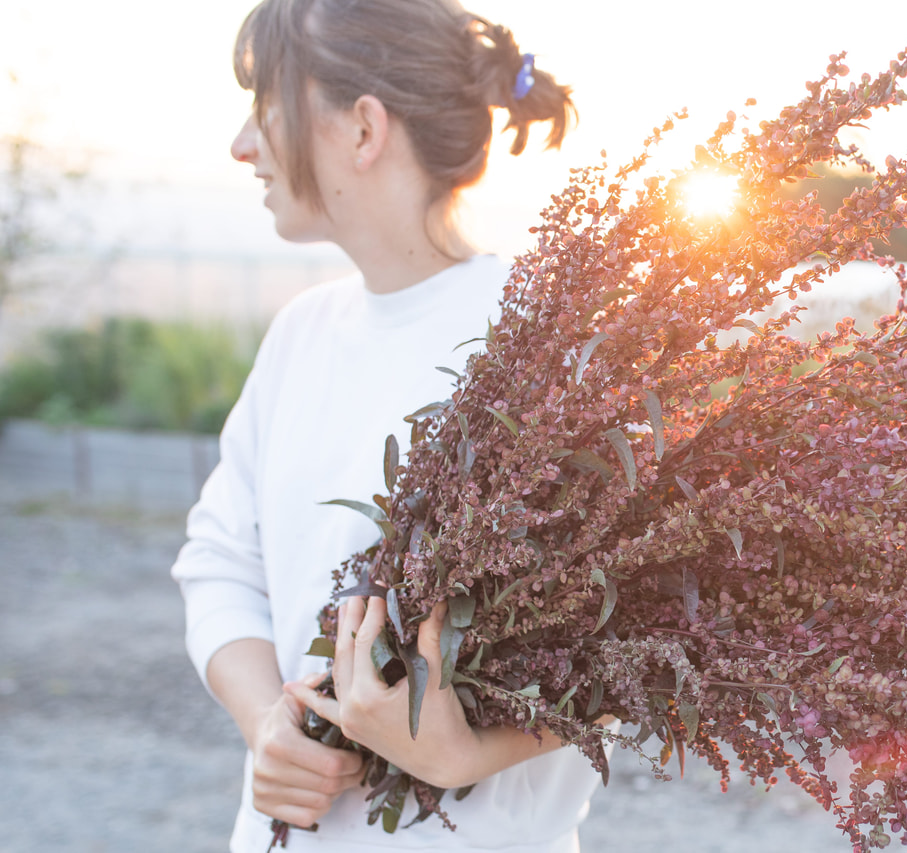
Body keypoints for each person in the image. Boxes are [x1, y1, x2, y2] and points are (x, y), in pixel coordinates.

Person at [170, 1, 606, 850]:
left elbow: (656, 639)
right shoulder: (300, 333)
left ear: (364, 129)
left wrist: (464, 752)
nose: (241, 145)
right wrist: (267, 725)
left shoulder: (549, 342)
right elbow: (218, 561)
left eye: (267, 105)